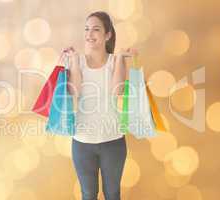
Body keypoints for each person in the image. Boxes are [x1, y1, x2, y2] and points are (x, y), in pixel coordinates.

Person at [61, 11, 137, 200]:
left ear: (108, 35)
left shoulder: (114, 61)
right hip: (82, 142)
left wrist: (119, 58)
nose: (89, 34)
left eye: (96, 29)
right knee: (88, 195)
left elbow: (117, 92)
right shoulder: (77, 61)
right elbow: (74, 92)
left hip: (113, 141)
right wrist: (74, 62)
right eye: (87, 29)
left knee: (113, 194)